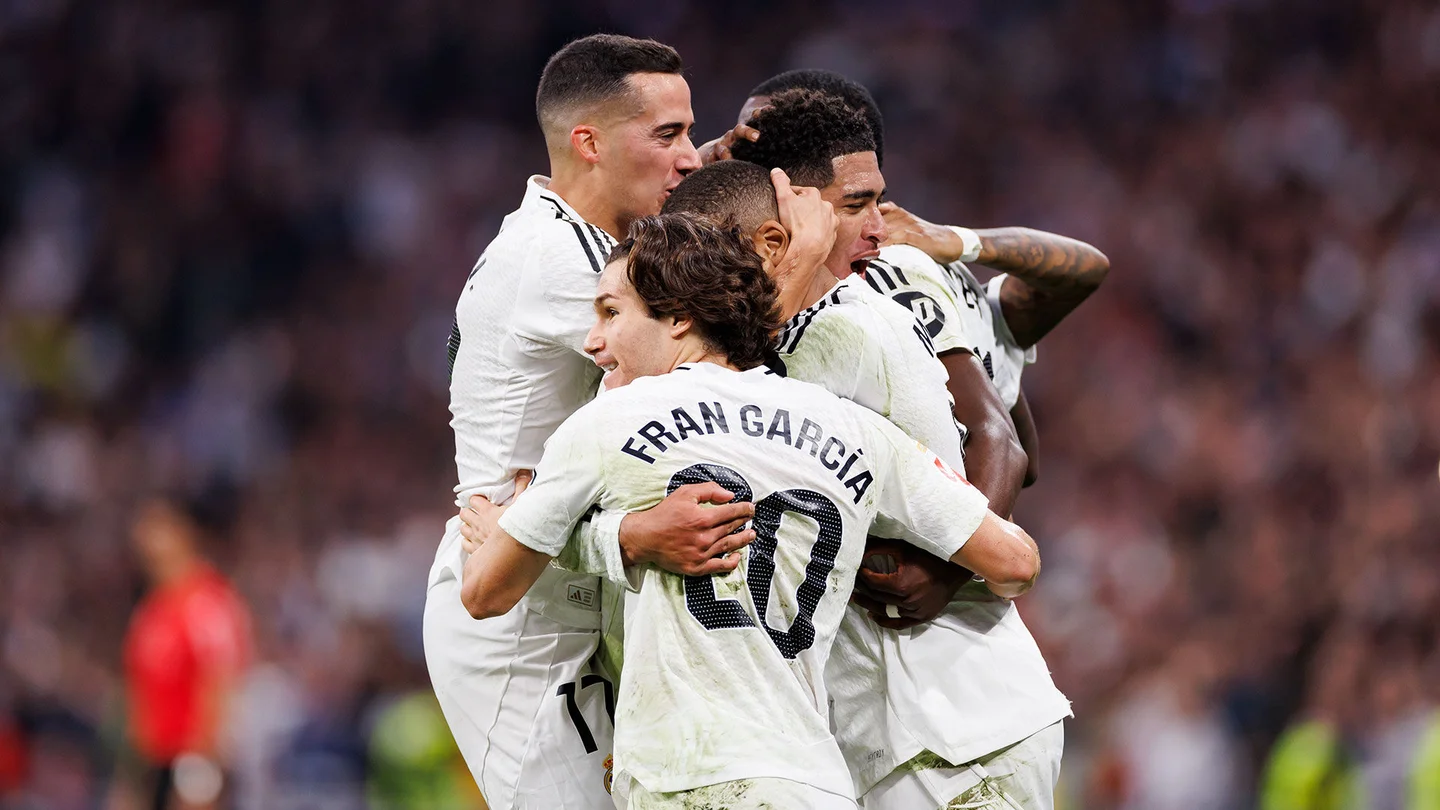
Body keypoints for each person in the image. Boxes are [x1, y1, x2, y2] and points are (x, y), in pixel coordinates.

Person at [460, 212, 1041, 810]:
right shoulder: (852, 427)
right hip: (819, 781)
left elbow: (484, 593)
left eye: (611, 312)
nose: (592, 340)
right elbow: (1016, 561)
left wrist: (562, 531)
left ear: (680, 317)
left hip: (694, 779)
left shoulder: (608, 423)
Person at [729, 80, 1092, 809]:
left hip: (955, 714)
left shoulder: (896, 277)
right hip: (869, 726)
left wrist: (950, 566)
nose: (879, 224)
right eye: (855, 203)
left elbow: (1007, 439)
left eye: (875, 199)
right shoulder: (758, 309)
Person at [422, 34, 732, 810]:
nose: (689, 155)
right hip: (517, 601)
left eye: (691, 133)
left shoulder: (586, 243)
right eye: (668, 135)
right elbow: (705, 381)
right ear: (588, 143)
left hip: (570, 581)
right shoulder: (557, 264)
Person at [124, 497, 252, 810]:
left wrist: (200, 771)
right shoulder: (152, 609)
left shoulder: (206, 602)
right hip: (153, 758)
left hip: (192, 760)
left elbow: (221, 681)